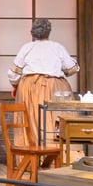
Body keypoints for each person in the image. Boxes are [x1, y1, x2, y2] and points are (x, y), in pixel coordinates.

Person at [7, 18, 79, 146]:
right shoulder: (57, 47)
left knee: (33, 119)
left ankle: (32, 151)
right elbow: (72, 68)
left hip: (30, 88)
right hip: (55, 86)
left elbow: (13, 73)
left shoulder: (27, 48)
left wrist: (15, 85)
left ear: (33, 32)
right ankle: (58, 152)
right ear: (49, 32)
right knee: (56, 118)